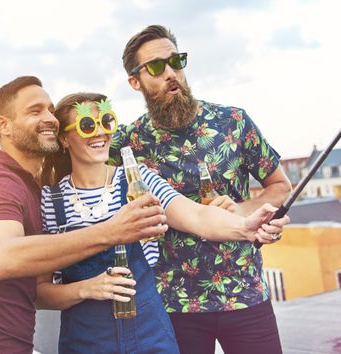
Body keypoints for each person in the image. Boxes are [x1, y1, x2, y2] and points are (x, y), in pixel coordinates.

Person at [36, 92, 289, 354]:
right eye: (87, 125)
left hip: (150, 338)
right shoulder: (50, 202)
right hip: (86, 343)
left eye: (106, 122)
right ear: (64, 138)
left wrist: (245, 226)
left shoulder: (138, 181)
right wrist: (86, 289)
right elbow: (40, 292)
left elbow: (197, 216)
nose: (99, 132)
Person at [0, 76, 169, 354]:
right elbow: (4, 258)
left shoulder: (30, 187)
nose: (49, 117)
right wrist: (112, 231)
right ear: (2, 124)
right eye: (35, 110)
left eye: (51, 109)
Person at [110, 25, 293, 354]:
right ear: (134, 81)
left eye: (176, 61)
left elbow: (280, 185)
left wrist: (243, 209)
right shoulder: (128, 142)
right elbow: (79, 165)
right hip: (173, 304)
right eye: (156, 66)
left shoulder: (234, 122)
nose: (170, 73)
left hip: (245, 294)